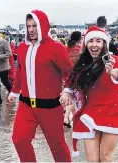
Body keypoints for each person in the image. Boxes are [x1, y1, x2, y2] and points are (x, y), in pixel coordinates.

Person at [8, 10, 72, 162]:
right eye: (29, 26)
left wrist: (68, 90)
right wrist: (15, 91)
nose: (31, 30)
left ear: (43, 25)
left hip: (50, 107)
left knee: (57, 146)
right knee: (19, 139)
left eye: (35, 25)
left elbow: (69, 72)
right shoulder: (22, 47)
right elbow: (20, 71)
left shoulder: (56, 48)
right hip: (26, 105)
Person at [61, 26, 118, 162]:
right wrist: (67, 93)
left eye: (98, 41)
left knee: (105, 157)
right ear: (86, 44)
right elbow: (71, 82)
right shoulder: (82, 63)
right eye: (91, 41)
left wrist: (113, 72)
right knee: (92, 160)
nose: (94, 44)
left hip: (114, 112)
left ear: (104, 44)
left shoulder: (113, 60)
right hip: (91, 113)